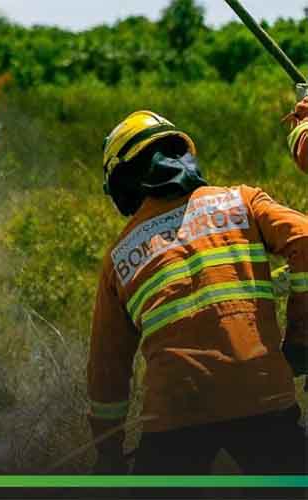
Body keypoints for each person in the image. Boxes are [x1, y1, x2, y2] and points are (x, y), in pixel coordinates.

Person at [88, 110, 308, 475]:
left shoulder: (119, 258)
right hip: (262, 392)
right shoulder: (242, 202)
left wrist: (108, 451)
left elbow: (107, 370)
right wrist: (302, 337)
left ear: (122, 181)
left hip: (175, 412)